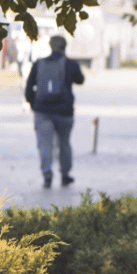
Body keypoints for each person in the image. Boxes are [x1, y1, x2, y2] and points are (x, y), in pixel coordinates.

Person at [24, 35, 85, 188]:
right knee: (64, 144)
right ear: (64, 47)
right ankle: (65, 175)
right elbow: (80, 80)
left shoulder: (39, 64)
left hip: (42, 111)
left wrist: (34, 104)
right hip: (64, 112)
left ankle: (47, 176)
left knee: (45, 145)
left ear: (51, 46)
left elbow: (29, 87)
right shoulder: (70, 64)